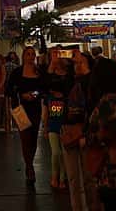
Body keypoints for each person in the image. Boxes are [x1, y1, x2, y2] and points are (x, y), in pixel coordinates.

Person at [87, 59, 116, 211]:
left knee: (114, 204)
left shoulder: (109, 103)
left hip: (110, 167)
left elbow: (103, 135)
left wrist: (87, 139)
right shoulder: (115, 99)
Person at [62, 51, 100, 211]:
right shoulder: (69, 81)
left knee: (89, 176)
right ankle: (76, 207)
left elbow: (93, 109)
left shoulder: (92, 84)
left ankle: (93, 206)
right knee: (73, 177)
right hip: (69, 130)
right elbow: (56, 100)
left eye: (81, 62)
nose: (77, 65)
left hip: (85, 132)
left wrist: (86, 132)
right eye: (75, 63)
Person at [5, 46, 45, 183]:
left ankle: (30, 162)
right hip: (20, 108)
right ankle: (29, 167)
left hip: (35, 107)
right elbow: (9, 89)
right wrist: (21, 95)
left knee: (33, 137)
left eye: (32, 54)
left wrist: (34, 94)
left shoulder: (39, 72)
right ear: (23, 56)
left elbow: (43, 89)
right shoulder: (17, 72)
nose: (31, 56)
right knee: (25, 138)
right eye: (28, 54)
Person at [46, 54, 72, 189]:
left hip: (64, 119)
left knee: (63, 152)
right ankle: (55, 176)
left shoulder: (68, 75)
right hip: (53, 120)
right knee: (56, 152)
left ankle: (62, 178)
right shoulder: (50, 76)